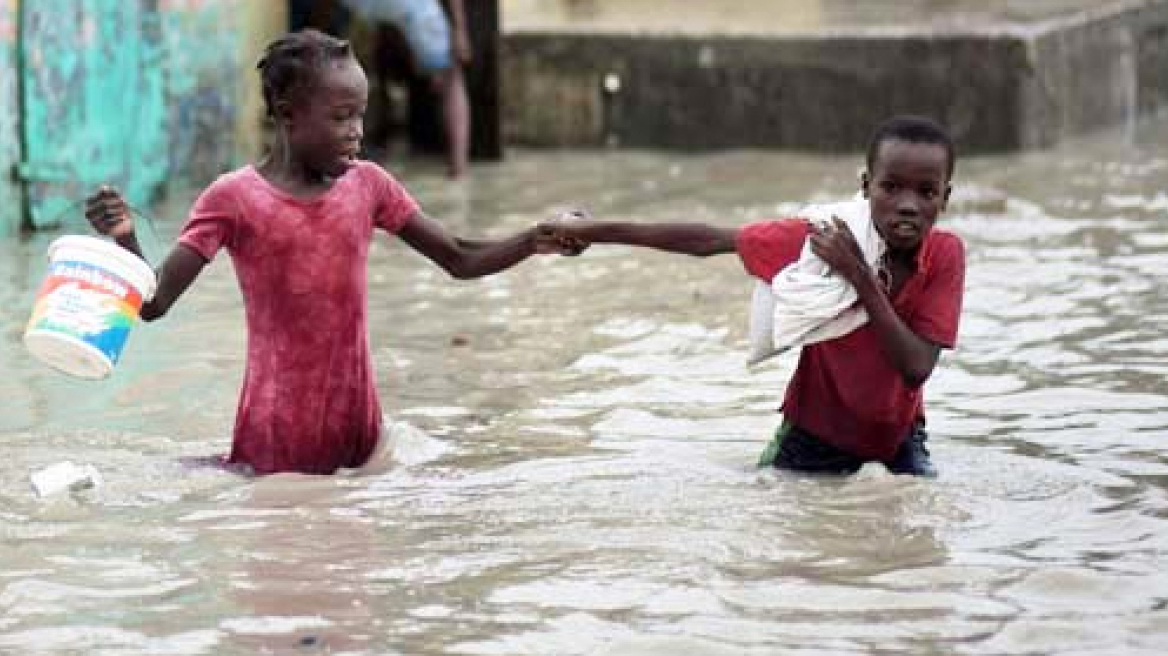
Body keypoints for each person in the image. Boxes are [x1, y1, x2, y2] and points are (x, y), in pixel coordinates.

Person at [85, 28, 573, 476]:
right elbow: (153, 305)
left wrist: (532, 240)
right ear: (286, 110)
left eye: (360, 114)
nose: (356, 130)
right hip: (275, 449)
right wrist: (126, 238)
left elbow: (459, 257)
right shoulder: (234, 198)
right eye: (341, 117)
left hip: (360, 438)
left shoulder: (370, 186)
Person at [544, 115, 965, 477]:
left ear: (944, 198)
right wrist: (589, 231)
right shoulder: (822, 239)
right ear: (865, 185)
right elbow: (706, 240)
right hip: (812, 437)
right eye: (891, 187)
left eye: (926, 192)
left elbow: (915, 367)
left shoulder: (944, 255)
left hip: (898, 442)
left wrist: (858, 275)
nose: (907, 205)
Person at [341, 0, 472, 178]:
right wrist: (459, 29)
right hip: (411, 7)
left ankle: (340, 164)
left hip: (361, 7)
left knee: (345, 78)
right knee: (452, 79)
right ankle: (458, 168)